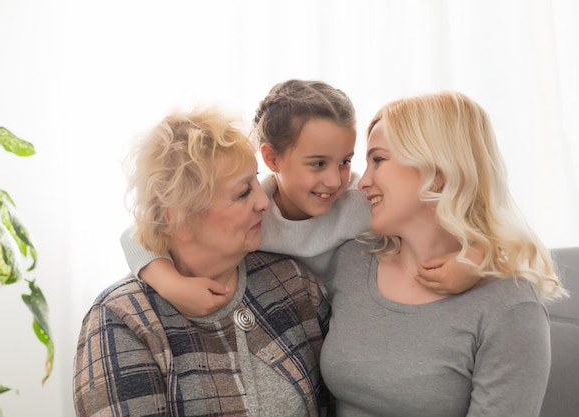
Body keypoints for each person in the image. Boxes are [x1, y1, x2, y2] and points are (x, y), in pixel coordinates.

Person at [121, 80, 482, 317]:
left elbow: (471, 226)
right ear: (272, 159)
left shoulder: (361, 202)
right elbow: (137, 235)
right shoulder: (254, 208)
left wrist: (474, 261)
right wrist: (172, 285)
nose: (334, 180)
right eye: (317, 164)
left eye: (345, 162)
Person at [320, 91, 568, 417]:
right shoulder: (351, 261)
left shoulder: (510, 305)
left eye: (378, 160)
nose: (362, 182)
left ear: (436, 172)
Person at [73, 108, 332, 417]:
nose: (264, 202)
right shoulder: (121, 319)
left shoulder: (293, 283)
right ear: (180, 219)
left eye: (256, 181)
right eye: (242, 193)